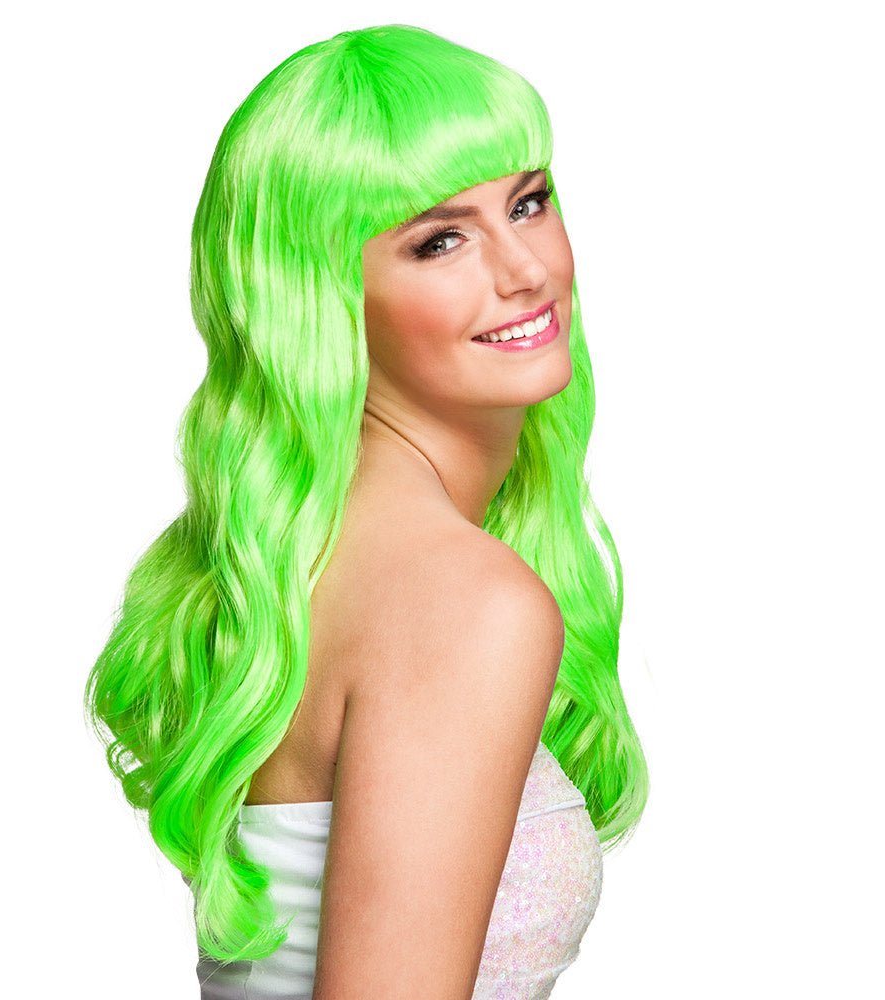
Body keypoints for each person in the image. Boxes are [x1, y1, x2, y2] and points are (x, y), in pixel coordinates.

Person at [84, 23, 649, 999]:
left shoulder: (308, 556)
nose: (525, 269)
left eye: (528, 201)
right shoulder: (463, 600)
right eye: (440, 240)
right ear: (323, 296)